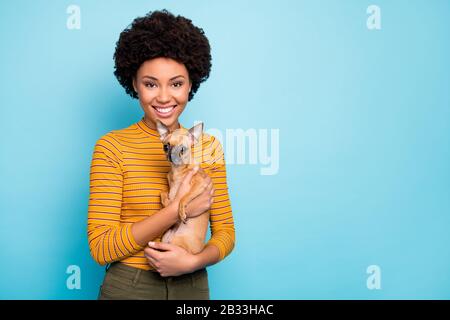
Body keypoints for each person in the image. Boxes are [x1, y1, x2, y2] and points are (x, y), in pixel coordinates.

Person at [87, 9, 235, 300]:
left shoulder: (208, 148)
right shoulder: (112, 147)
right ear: (134, 84)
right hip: (129, 287)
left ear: (191, 84)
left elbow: (226, 233)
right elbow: (101, 248)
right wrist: (176, 210)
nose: (164, 97)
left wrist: (194, 261)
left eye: (176, 83)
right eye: (151, 83)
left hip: (192, 287)